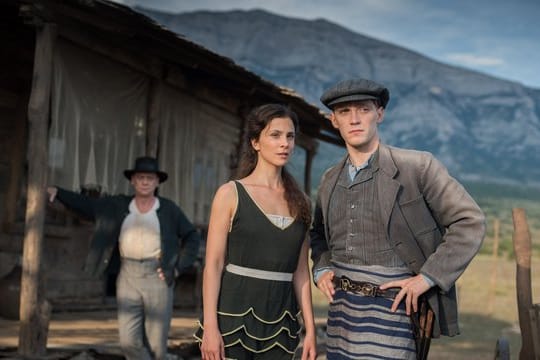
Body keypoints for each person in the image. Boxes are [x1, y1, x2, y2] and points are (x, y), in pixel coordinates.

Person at [310, 78, 486, 359]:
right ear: (333, 120)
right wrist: (321, 270)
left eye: (363, 109)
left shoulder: (417, 166)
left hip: (395, 316)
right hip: (342, 316)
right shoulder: (329, 178)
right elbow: (317, 234)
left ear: (379, 114)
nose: (354, 119)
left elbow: (470, 221)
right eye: (344, 112)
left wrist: (428, 277)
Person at [195, 104, 317, 360]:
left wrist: (311, 331)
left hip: (281, 323)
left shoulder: (302, 202)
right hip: (232, 318)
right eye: (275, 135)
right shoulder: (230, 194)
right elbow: (214, 265)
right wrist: (210, 328)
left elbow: (301, 271)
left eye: (290, 136)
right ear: (255, 142)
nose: (285, 143)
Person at [47, 156, 201, 360]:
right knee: (129, 342)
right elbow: (88, 205)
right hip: (128, 276)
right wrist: (58, 192)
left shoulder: (169, 209)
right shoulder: (118, 205)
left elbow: (191, 236)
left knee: (156, 346)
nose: (145, 181)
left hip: (158, 275)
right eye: (140, 177)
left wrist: (178, 267)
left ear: (157, 182)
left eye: (150, 178)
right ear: (133, 181)